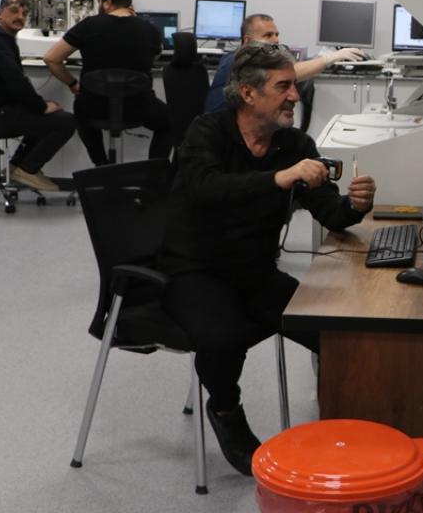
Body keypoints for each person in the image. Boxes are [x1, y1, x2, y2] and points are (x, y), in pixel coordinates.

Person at [160, 44, 376, 475]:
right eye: (283, 87)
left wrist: (355, 206)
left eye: (294, 85)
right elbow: (205, 188)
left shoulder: (294, 144)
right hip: (196, 268)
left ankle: (343, 426)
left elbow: (330, 212)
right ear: (248, 93)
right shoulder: (207, 131)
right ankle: (225, 409)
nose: (295, 96)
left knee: (334, 332)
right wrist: (278, 178)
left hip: (255, 272)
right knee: (223, 337)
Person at [42, 0, 171, 164]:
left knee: (81, 111)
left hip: (94, 107)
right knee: (169, 123)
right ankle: (154, 171)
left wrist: (73, 83)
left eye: (99, 1)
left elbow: (51, 59)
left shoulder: (88, 25)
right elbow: (157, 54)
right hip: (139, 107)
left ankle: (101, 166)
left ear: (107, 2)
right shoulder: (148, 29)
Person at [0, 0, 76, 192]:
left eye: (24, 14)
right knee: (65, 121)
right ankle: (28, 169)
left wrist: (39, 107)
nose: (20, 17)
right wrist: (41, 106)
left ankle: (17, 166)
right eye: (14, 11)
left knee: (47, 118)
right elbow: (15, 79)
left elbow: (13, 80)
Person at [203, 13, 365, 113]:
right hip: (221, 135)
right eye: (268, 35)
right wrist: (331, 58)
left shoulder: (235, 56)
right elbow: (291, 72)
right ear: (247, 41)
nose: (276, 40)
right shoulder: (241, 60)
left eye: (276, 34)